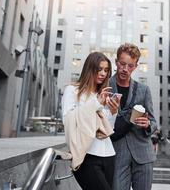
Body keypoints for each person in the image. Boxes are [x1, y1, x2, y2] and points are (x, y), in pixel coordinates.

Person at [62, 52, 120, 190]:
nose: (103, 74)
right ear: (89, 68)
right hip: (86, 155)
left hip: (108, 155)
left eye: (106, 70)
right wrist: (96, 103)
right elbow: (68, 121)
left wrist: (113, 112)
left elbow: (105, 130)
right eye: (99, 69)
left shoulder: (101, 95)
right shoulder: (72, 90)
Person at [109, 43, 158, 190]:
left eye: (130, 66)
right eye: (122, 64)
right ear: (116, 62)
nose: (125, 69)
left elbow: (154, 122)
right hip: (117, 155)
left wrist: (148, 124)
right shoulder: (105, 87)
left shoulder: (144, 90)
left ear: (135, 66)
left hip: (143, 154)